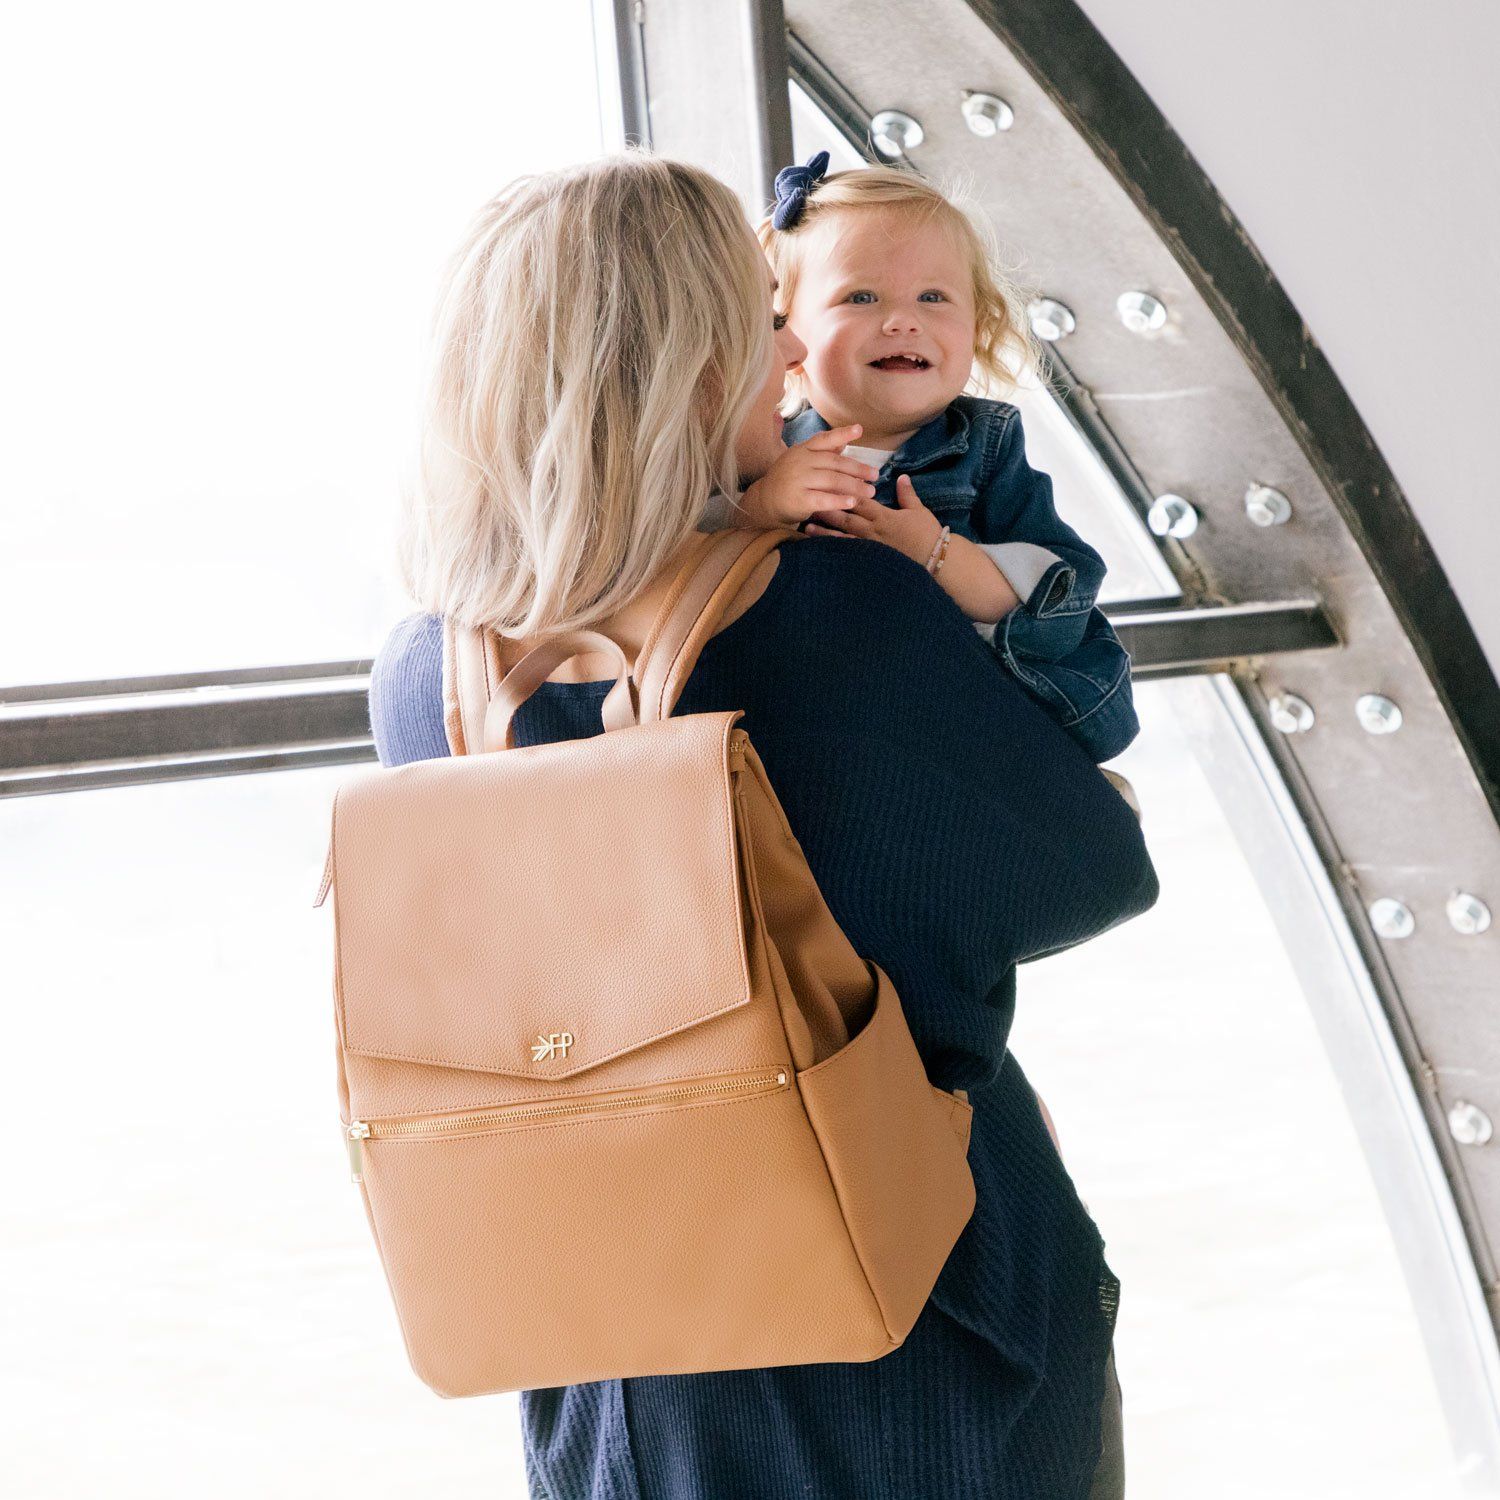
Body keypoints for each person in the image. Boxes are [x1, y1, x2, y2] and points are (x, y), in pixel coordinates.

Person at [368, 149, 1157, 1499]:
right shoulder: (820, 614)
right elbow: (1090, 874)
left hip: (613, 1345)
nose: (794, 346)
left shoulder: (431, 669)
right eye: (757, 317)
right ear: (684, 367)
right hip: (907, 1319)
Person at [732, 151, 1139, 766]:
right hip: (839, 737)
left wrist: (935, 553)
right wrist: (760, 507)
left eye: (933, 297)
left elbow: (1054, 605)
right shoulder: (770, 452)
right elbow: (702, 565)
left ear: (978, 324)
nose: (902, 321)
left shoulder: (987, 447)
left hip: (979, 725)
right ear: (788, 331)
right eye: (861, 297)